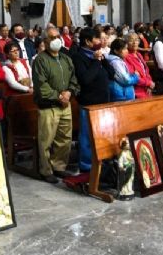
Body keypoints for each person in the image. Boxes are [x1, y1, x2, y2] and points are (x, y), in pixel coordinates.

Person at [31, 27, 79, 183]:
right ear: (45, 41)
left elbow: (74, 78)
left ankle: (59, 166)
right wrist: (59, 96)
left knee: (64, 138)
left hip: (65, 104)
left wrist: (69, 92)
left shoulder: (66, 59)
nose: (56, 39)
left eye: (57, 36)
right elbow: (41, 85)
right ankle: (45, 170)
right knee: (46, 140)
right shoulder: (40, 60)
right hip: (49, 105)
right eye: (52, 37)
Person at [72, 27, 113, 173]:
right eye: (97, 39)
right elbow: (85, 79)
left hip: (103, 101)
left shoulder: (98, 55)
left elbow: (112, 74)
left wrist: (103, 60)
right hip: (89, 102)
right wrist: (96, 61)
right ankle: (86, 165)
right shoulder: (79, 57)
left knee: (102, 134)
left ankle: (102, 161)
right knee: (87, 136)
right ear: (88, 41)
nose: (100, 42)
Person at [125, 33, 154, 99]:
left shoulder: (139, 54)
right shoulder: (126, 56)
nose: (135, 42)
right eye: (131, 40)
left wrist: (150, 83)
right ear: (126, 43)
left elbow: (146, 71)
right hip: (137, 92)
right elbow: (133, 76)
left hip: (147, 89)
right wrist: (148, 83)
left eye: (136, 40)